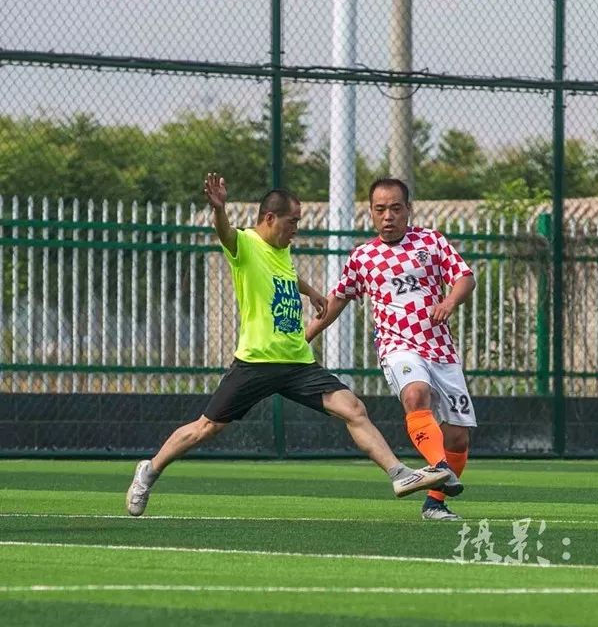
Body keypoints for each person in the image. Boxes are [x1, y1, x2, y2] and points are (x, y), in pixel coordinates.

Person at [125, 174, 449, 516]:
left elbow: (286, 276)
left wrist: (310, 292)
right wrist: (219, 210)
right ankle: (149, 471)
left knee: (353, 409)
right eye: (292, 222)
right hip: (257, 362)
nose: (296, 229)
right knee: (207, 427)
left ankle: (398, 474)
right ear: (270, 219)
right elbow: (226, 233)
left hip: (297, 362)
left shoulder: (282, 249)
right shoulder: (246, 245)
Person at [307, 177, 476, 521]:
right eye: (380, 209)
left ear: (408, 210)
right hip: (397, 346)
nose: (388, 216)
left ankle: (434, 502)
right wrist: (304, 335)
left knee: (457, 437)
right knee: (415, 394)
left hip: (440, 350)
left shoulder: (431, 241)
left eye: (396, 208)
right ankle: (439, 465)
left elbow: (465, 277)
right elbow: (337, 299)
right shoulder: (363, 257)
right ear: (370, 213)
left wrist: (449, 301)